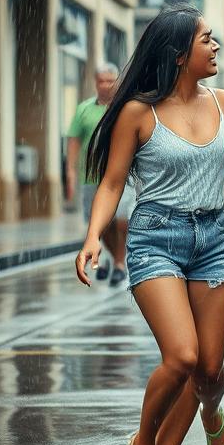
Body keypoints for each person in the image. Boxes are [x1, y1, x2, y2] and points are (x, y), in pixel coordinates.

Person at [75, 6, 224, 445]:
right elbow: (113, 182)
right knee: (182, 356)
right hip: (156, 236)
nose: (216, 47)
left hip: (213, 239)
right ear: (179, 53)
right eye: (207, 39)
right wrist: (94, 236)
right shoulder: (139, 113)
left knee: (209, 371)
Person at [67, 63, 134, 288]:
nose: (105, 85)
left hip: (121, 175)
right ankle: (116, 259)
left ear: (117, 82)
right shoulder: (84, 109)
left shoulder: (125, 108)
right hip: (91, 177)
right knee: (101, 226)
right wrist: (70, 173)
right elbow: (74, 142)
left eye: (109, 80)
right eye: (101, 81)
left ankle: (118, 264)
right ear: (95, 83)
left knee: (122, 220)